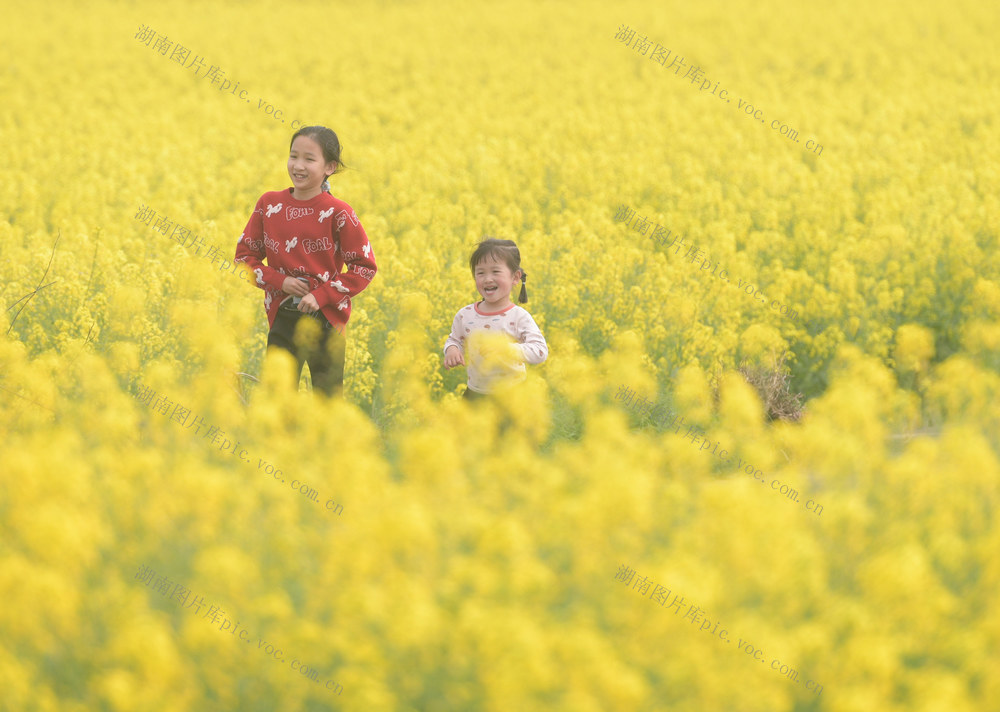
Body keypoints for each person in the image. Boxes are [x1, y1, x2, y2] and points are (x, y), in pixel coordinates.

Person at [235, 126, 376, 397]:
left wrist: (321, 295)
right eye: (293, 156)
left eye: (309, 159)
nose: (298, 166)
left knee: (327, 401)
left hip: (326, 319)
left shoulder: (339, 212)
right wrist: (281, 281)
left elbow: (364, 267)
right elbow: (244, 259)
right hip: (282, 314)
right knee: (277, 398)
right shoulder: (269, 204)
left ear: (329, 167)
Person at [443, 238, 547, 398]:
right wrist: (452, 349)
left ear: (515, 277)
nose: (487, 279)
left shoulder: (519, 317)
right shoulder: (465, 315)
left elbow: (540, 351)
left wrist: (506, 349)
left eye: (495, 272)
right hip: (475, 394)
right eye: (480, 273)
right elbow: (454, 339)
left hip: (513, 395)